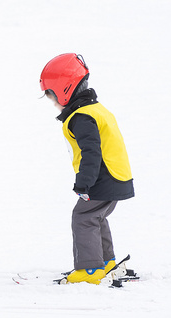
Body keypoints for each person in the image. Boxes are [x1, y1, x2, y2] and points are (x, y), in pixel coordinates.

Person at [40, 53, 134, 284]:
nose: (52, 101)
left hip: (103, 177)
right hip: (116, 175)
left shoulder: (82, 117)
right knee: (96, 217)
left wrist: (84, 183)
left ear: (64, 89)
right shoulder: (94, 109)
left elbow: (92, 153)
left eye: (51, 94)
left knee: (83, 217)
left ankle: (90, 269)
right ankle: (106, 262)